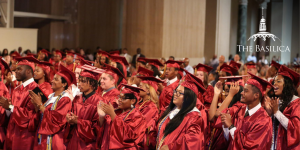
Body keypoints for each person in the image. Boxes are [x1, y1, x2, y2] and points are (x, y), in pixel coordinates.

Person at [219, 72, 273, 149]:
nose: (241, 93)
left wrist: (231, 126)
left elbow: (249, 146)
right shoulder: (239, 111)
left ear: (256, 95)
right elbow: (231, 140)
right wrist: (225, 126)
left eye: (246, 91)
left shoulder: (264, 120)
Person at [156, 71, 206, 150]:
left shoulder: (194, 117)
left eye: (180, 93)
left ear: (188, 98)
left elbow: (192, 141)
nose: (175, 94)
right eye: (176, 91)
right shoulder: (171, 111)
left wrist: (170, 147)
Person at [29, 64, 74, 150]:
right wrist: (36, 106)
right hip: (42, 137)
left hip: (54, 139)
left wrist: (40, 105)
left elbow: (57, 121)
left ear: (64, 84)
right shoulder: (50, 97)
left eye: (56, 79)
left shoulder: (65, 99)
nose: (52, 81)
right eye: (53, 78)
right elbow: (42, 116)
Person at [0, 57, 39, 150]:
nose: (15, 71)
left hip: (25, 135)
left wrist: (9, 107)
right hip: (11, 131)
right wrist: (6, 107)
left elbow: (31, 115)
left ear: (29, 71)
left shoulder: (37, 90)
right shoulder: (17, 89)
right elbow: (11, 112)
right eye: (16, 69)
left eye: (19, 69)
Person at [64, 66, 103, 150]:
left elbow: (98, 127)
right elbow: (71, 112)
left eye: (83, 81)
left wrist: (78, 121)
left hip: (87, 144)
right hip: (73, 140)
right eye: (79, 80)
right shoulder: (77, 97)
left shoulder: (99, 101)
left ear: (92, 84)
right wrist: (69, 118)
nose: (79, 83)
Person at [97, 84, 146, 150]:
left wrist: (113, 115)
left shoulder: (137, 116)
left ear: (133, 101)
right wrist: (101, 117)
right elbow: (103, 129)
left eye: (123, 98)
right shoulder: (117, 111)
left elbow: (129, 136)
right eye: (119, 97)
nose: (119, 100)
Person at [264, 65, 300, 149]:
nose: (274, 84)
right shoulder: (276, 101)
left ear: (287, 85)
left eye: (278, 81)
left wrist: (276, 112)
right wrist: (269, 114)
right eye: (274, 81)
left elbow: (295, 129)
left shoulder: (296, 103)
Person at [208, 77, 244, 150]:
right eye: (225, 91)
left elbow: (218, 114)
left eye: (228, 90)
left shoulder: (239, 107)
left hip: (228, 144)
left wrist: (231, 95)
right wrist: (216, 94)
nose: (226, 93)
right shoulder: (227, 105)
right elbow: (211, 117)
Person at [137, 76, 162, 149]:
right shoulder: (140, 102)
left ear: (148, 91)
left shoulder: (151, 107)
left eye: (140, 86)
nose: (138, 88)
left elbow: (143, 125)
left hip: (142, 141)